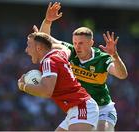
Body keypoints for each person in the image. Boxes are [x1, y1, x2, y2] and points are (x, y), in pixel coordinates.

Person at [37, 2, 128, 131]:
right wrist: (47, 21)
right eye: (75, 42)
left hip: (103, 108)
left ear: (91, 43)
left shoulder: (102, 58)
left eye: (81, 43)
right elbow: (45, 43)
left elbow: (122, 75)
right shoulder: (70, 51)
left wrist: (115, 56)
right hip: (80, 108)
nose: (77, 46)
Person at [18, 32, 99, 131]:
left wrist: (23, 86)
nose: (26, 50)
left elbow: (46, 91)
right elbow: (66, 48)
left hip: (81, 107)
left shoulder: (48, 61)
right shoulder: (58, 54)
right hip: (76, 109)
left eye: (29, 46)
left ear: (39, 48)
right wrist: (46, 42)